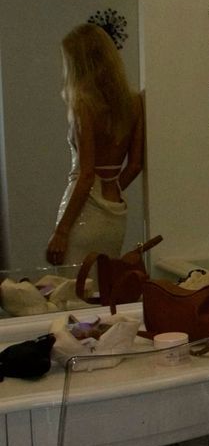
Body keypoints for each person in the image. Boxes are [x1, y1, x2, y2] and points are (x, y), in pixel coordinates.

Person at [46, 23, 144, 267]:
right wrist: (111, 190)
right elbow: (135, 165)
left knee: (75, 285)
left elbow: (87, 174)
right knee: (105, 282)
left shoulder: (83, 105)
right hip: (115, 211)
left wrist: (61, 231)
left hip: (84, 212)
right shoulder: (135, 102)